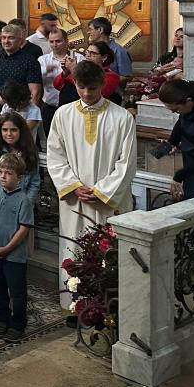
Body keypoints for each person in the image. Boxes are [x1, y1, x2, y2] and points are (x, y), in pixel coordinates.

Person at [46, 61, 135, 309]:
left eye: (92, 88)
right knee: (73, 250)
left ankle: (109, 310)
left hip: (108, 202)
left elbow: (127, 163)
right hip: (75, 200)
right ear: (74, 83)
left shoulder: (122, 117)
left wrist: (102, 191)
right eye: (81, 87)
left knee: (109, 255)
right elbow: (55, 156)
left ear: (102, 84)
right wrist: (73, 185)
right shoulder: (63, 115)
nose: (86, 93)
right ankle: (76, 306)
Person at [0, 153, 34, 343]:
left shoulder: (24, 200)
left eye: (8, 173)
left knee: (16, 291)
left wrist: (7, 248)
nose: (3, 176)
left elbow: (23, 229)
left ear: (19, 177)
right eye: (0, 172)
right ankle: (2, 319)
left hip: (14, 256)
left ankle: (18, 324)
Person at [155, 79, 194, 200]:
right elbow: (180, 124)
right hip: (192, 169)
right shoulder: (187, 109)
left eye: (176, 109)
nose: (176, 113)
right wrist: (170, 144)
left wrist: (179, 175)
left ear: (188, 100)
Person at [0, 113, 41, 205]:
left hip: (22, 204)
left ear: (21, 131)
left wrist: (27, 204)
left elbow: (34, 182)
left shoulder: (29, 152)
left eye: (13, 130)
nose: (9, 134)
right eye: (5, 130)